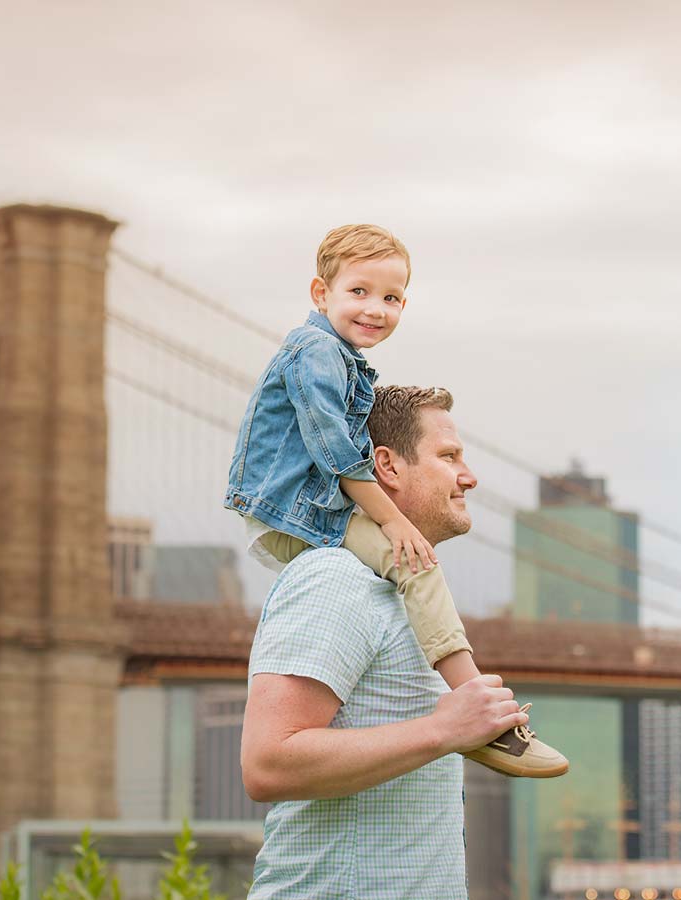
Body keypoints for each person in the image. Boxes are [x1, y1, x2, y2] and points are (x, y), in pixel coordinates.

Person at [224, 224, 566, 777]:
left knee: (411, 568)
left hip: (309, 508)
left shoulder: (338, 358)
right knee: (417, 564)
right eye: (358, 291)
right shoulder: (315, 354)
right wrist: (392, 520)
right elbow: (336, 452)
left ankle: (477, 708)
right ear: (320, 294)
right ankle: (485, 711)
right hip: (301, 513)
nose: (375, 308)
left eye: (391, 297)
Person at [241, 386, 527, 898]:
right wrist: (443, 730)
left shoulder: (401, 592)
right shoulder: (335, 578)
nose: (470, 475)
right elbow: (267, 762)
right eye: (449, 456)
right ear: (387, 467)